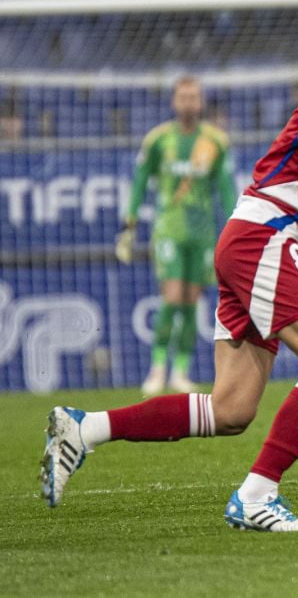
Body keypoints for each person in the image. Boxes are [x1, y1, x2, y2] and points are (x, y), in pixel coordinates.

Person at [41, 0, 298, 532]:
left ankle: (83, 430)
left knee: (230, 410)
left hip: (258, 238)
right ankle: (256, 496)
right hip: (263, 238)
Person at [115, 75, 236, 395]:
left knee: (190, 302)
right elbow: (140, 180)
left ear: (201, 101)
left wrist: (236, 222)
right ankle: (157, 369)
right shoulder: (158, 140)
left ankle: (180, 372)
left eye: (193, 97)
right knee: (171, 297)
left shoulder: (215, 141)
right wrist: (130, 221)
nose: (188, 102)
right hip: (168, 229)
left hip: (202, 233)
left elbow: (225, 187)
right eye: (183, 97)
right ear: (174, 101)